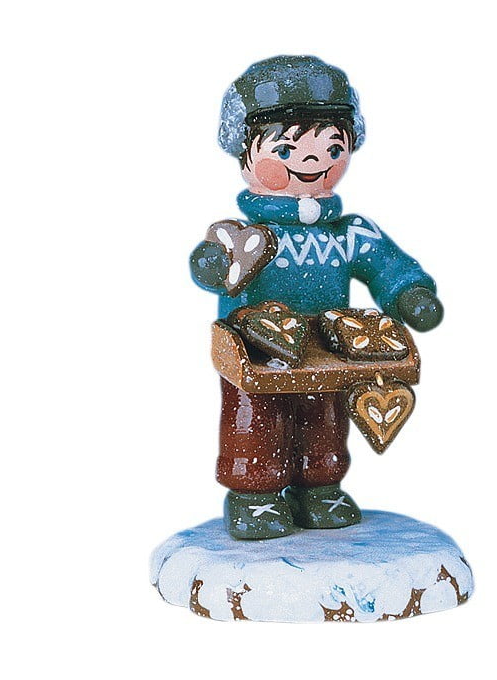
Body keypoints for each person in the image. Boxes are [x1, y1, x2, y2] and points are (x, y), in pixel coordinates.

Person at [191, 56, 443, 539]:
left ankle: (319, 485)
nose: (312, 162)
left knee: (323, 416)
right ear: (244, 152)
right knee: (257, 418)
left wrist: (409, 294)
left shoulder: (347, 234)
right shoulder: (249, 237)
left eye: (332, 146)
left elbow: (384, 263)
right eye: (286, 148)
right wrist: (213, 265)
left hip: (327, 346)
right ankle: (255, 493)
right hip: (257, 348)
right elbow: (213, 266)